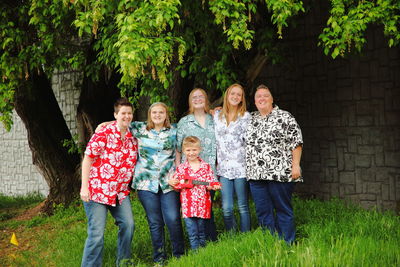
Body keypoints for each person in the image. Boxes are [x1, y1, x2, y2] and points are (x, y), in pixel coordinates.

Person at [96, 102, 185, 264]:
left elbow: (179, 152)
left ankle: (179, 256)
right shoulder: (139, 128)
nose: (157, 115)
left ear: (166, 115)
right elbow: (122, 121)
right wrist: (104, 124)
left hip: (169, 183)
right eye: (154, 112)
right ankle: (160, 258)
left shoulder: (175, 130)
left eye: (161, 112)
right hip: (145, 184)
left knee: (173, 218)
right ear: (150, 114)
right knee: (155, 222)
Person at [80, 97, 138, 267]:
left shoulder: (132, 136)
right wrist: (84, 187)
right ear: (115, 114)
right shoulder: (104, 133)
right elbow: (88, 159)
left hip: (119, 193)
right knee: (96, 234)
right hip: (97, 191)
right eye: (123, 113)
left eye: (129, 113)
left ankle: (124, 262)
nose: (126, 116)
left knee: (129, 225)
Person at [245, 84, 303, 244]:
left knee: (282, 208)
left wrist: (296, 165)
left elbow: (296, 142)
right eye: (258, 97)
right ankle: (271, 243)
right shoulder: (251, 119)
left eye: (265, 95)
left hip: (280, 173)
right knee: (263, 211)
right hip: (256, 175)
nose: (262, 98)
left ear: (272, 99)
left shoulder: (285, 116)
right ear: (255, 102)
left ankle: (287, 243)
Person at [176, 88, 218, 241]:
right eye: (194, 97)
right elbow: (178, 149)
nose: (198, 99)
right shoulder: (184, 122)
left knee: (208, 208)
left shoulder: (215, 119)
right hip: (190, 176)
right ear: (190, 101)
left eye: (201, 96)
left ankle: (211, 243)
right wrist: (177, 171)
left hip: (209, 173)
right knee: (193, 211)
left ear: (206, 99)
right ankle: (198, 243)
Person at [169, 136, 221, 250]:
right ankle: (195, 256)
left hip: (203, 206)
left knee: (202, 233)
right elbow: (177, 185)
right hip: (188, 207)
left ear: (199, 150)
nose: (191, 153)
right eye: (188, 150)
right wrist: (172, 182)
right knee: (192, 234)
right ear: (183, 151)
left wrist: (214, 186)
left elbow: (210, 183)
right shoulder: (181, 169)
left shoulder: (206, 167)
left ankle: (202, 256)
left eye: (194, 150)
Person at [213, 83, 251, 232]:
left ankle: (246, 236)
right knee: (227, 208)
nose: (235, 97)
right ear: (227, 96)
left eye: (238, 94)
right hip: (223, 168)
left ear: (242, 99)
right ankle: (232, 237)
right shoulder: (217, 116)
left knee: (243, 206)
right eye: (232, 94)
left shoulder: (246, 117)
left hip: (241, 167)